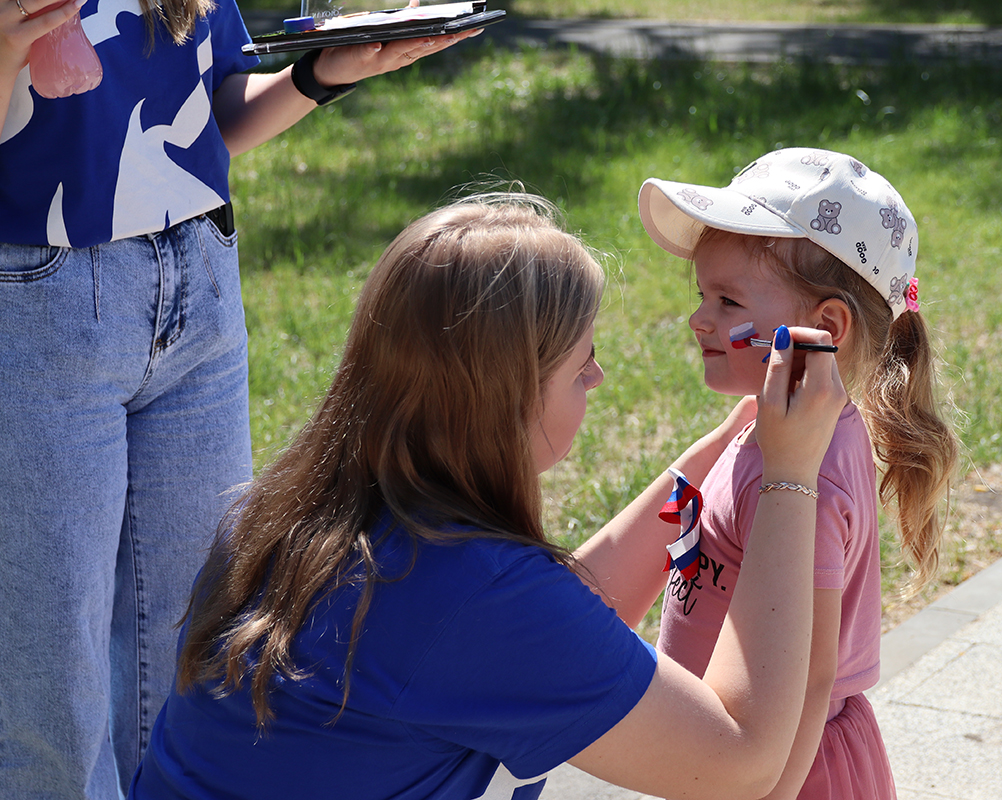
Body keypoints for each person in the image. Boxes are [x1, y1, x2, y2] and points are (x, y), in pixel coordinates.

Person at [126, 193, 848, 800]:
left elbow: (563, 625)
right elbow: (743, 760)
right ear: (504, 401)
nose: (596, 381)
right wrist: (788, 474)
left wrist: (710, 459)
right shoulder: (476, 599)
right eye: (582, 363)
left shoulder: (286, 512)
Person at [0, 0, 477, 796]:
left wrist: (323, 74)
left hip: (200, 283)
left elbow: (202, 123)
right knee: (54, 672)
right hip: (43, 294)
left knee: (197, 640)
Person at [637, 146, 960, 800]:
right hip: (734, 757)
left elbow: (812, 676)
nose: (701, 318)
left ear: (825, 328)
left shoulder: (800, 480)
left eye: (728, 301)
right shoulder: (780, 434)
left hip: (789, 772)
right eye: (702, 294)